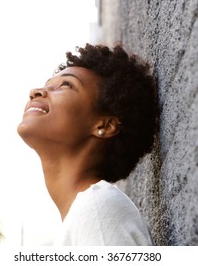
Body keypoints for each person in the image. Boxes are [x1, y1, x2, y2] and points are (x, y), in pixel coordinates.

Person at [17, 43, 158, 245]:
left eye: (66, 85)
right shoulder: (88, 214)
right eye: (47, 84)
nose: (36, 91)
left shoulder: (97, 210)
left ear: (105, 125)